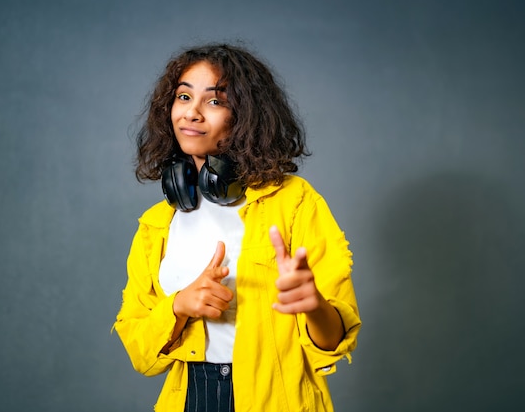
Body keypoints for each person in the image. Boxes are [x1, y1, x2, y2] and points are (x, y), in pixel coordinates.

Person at [114, 42, 361, 412]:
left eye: (214, 101)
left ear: (245, 116)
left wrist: (314, 307)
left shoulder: (294, 202)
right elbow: (139, 351)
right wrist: (179, 307)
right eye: (183, 97)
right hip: (191, 398)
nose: (192, 113)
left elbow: (334, 341)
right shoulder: (156, 225)